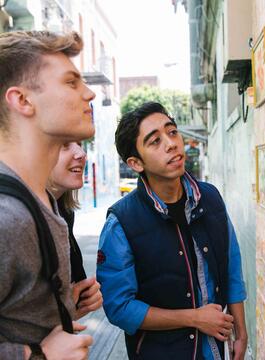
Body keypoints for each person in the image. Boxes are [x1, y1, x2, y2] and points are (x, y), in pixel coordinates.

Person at [97, 102, 248, 360]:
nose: (171, 143)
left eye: (172, 131)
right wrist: (194, 318)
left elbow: (231, 265)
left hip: (214, 350)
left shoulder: (209, 198)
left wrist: (241, 332)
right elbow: (119, 307)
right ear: (135, 163)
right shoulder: (121, 221)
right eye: (155, 141)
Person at [0, 30, 95, 359]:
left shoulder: (45, 200)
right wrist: (38, 355)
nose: (90, 94)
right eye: (71, 82)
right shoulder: (6, 219)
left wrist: (64, 306)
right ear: (22, 100)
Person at [49, 141, 103, 319]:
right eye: (64, 144)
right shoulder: (13, 218)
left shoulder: (65, 211)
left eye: (80, 144)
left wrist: (74, 308)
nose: (81, 153)